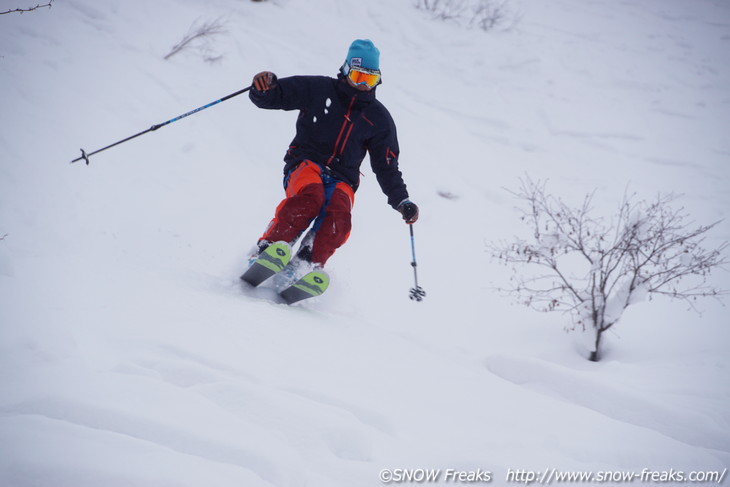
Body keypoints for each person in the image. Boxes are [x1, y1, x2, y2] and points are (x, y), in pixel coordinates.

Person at [247, 39, 419, 273]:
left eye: (369, 80)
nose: (362, 86)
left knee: (339, 217)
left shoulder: (378, 119)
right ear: (346, 70)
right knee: (310, 198)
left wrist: (402, 200)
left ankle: (305, 264)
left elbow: (386, 165)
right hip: (305, 163)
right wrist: (263, 87)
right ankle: (269, 249)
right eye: (358, 77)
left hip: (343, 179)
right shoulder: (319, 89)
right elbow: (276, 96)